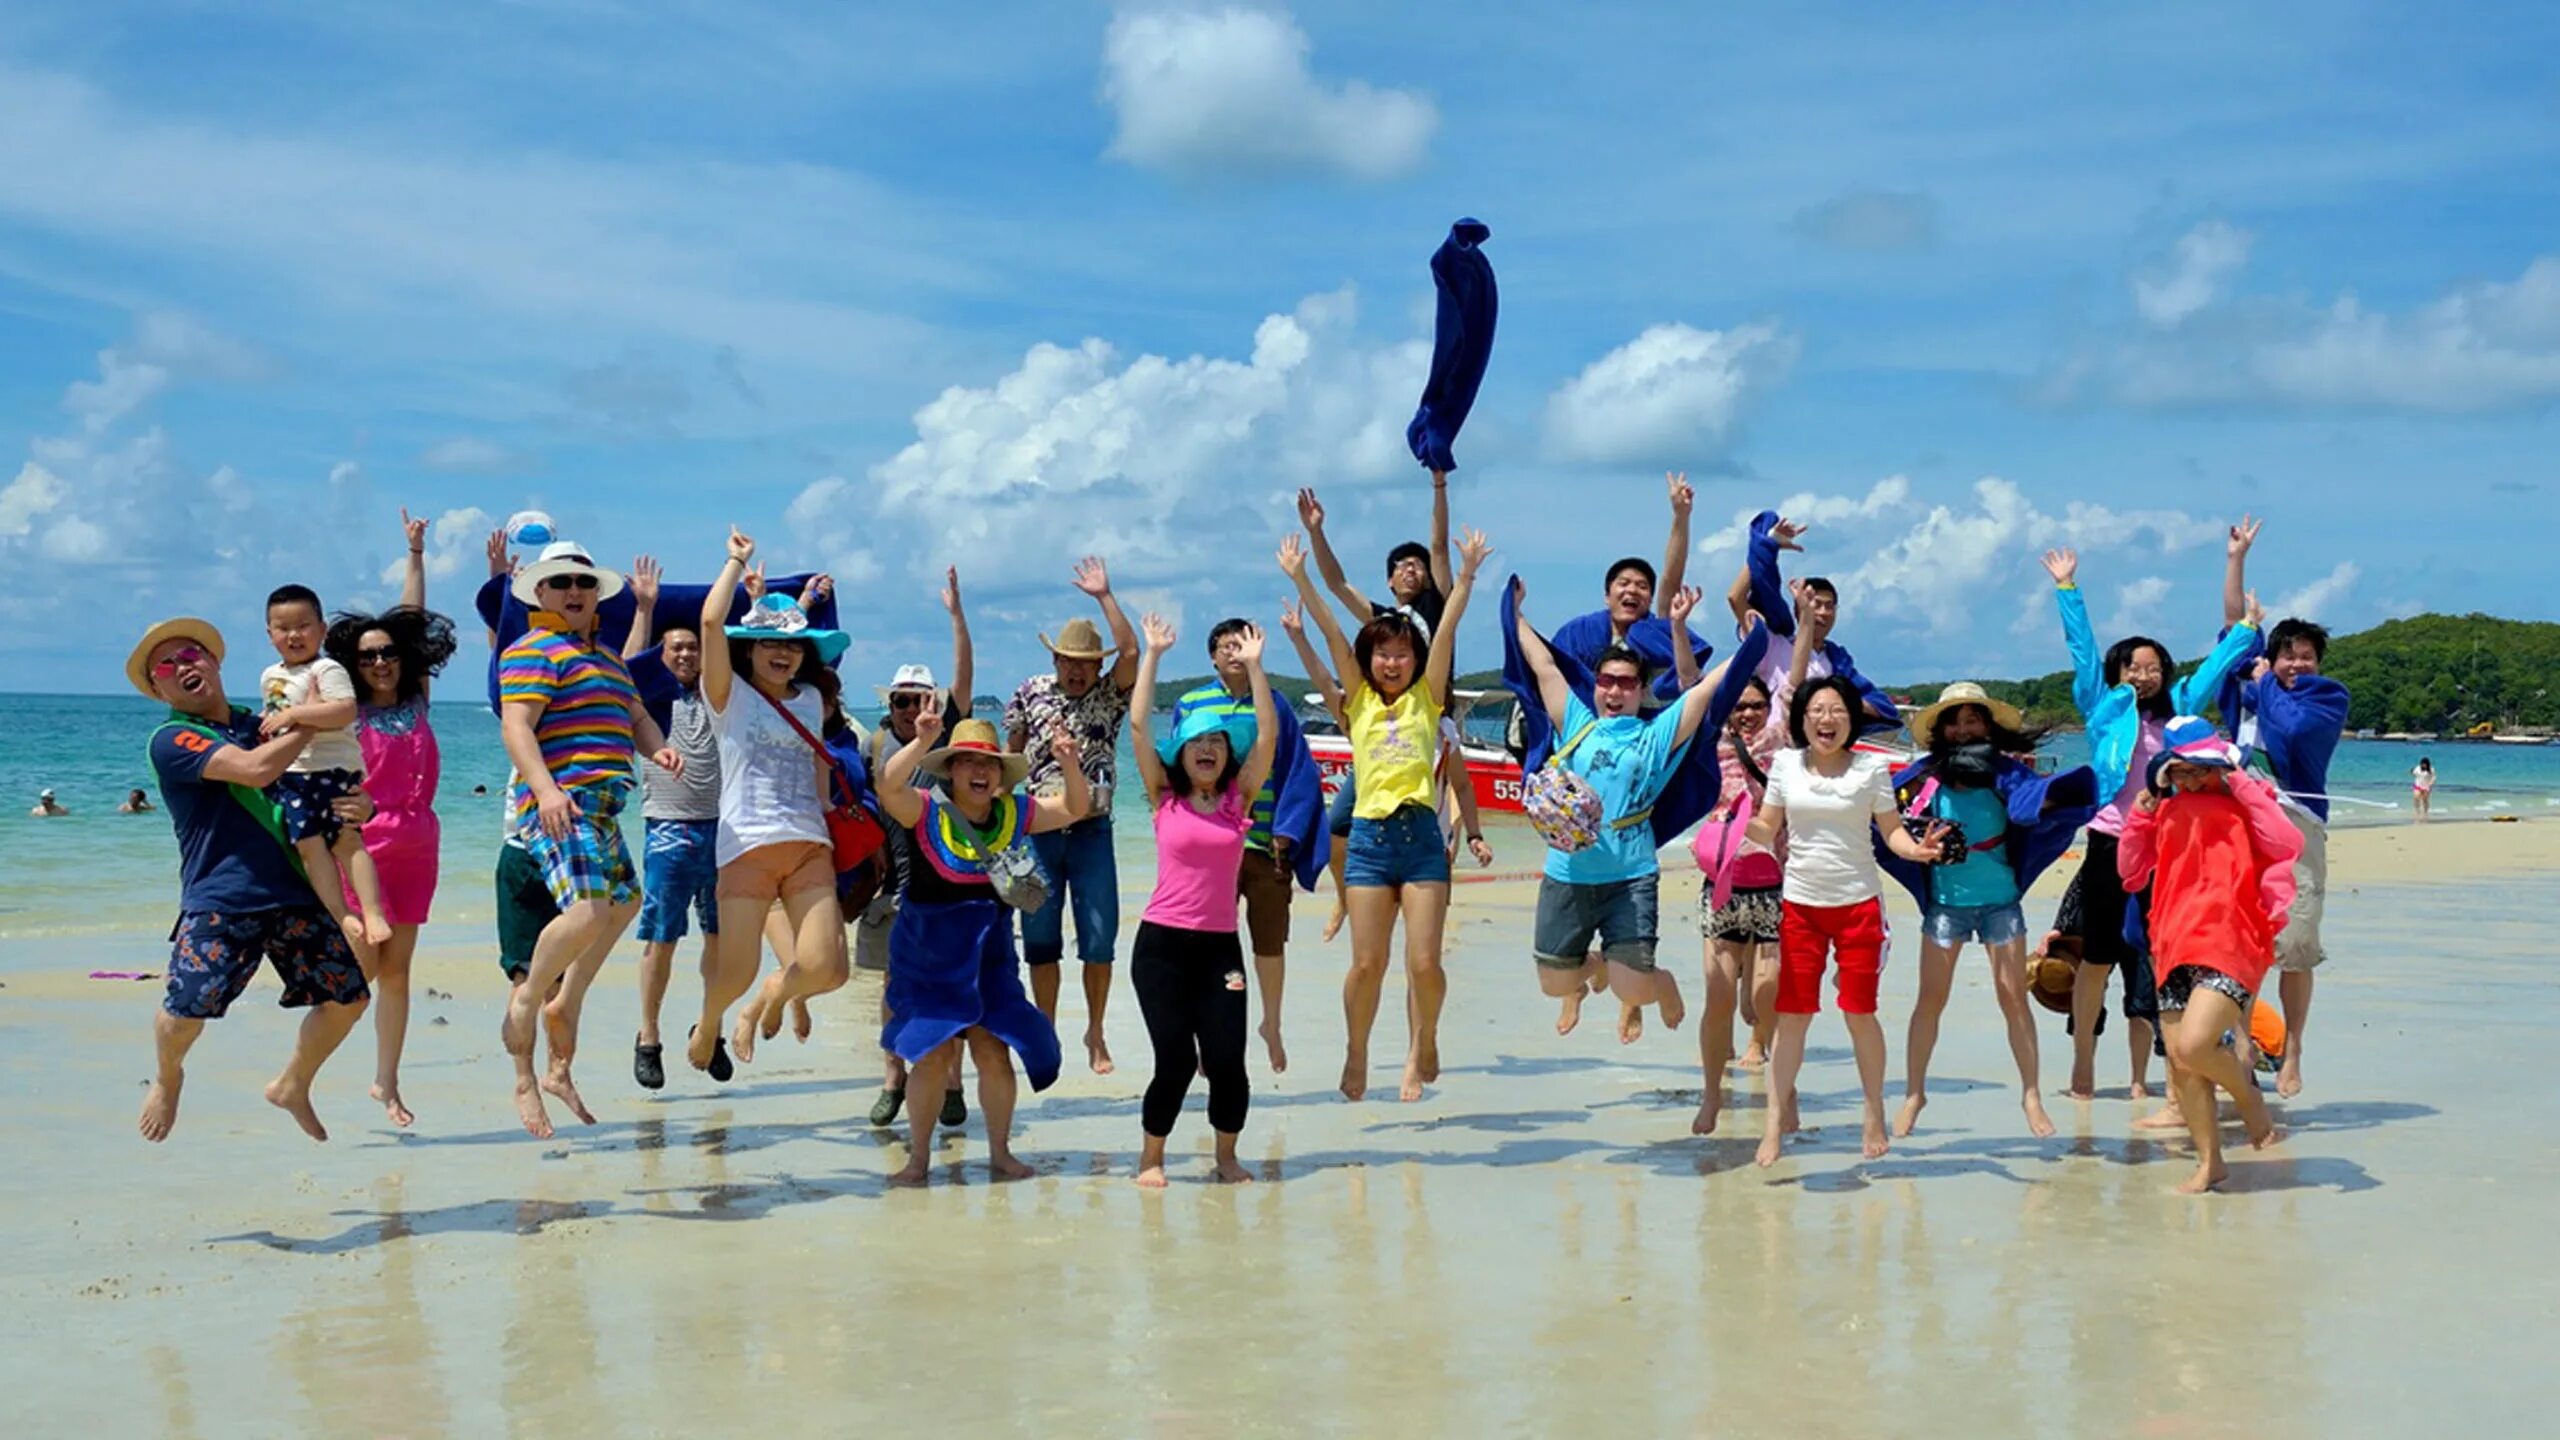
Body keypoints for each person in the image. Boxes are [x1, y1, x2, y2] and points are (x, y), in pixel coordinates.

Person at [127, 616, 373, 1143]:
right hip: (222, 898)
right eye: (166, 666)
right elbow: (256, 769)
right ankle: (169, 1077)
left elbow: (322, 781)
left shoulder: (260, 721)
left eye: (191, 654)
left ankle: (292, 1083)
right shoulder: (171, 739)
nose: (182, 667)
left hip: (294, 891)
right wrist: (314, 720)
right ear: (157, 689)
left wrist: (363, 802)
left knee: (349, 1000)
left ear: (214, 662)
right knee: (185, 1010)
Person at [2040, 546, 2260, 1103]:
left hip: (2169, 849)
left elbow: (2212, 672)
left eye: (2153, 667)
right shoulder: (2100, 706)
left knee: (2164, 957)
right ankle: (2084, 1063)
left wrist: (2247, 631)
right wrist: (2068, 589)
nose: (2144, 674)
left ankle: (2166, 1075)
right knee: (2096, 958)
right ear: (2118, 673)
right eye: (2133, 667)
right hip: (2111, 842)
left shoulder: (2181, 708)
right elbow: (2082, 653)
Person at [1282, 524, 1492, 1102]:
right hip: (1371, 842)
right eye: (1383, 654)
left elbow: (1445, 629)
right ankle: (1357, 1050)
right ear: (1370, 660)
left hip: (1422, 838)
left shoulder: (1428, 698)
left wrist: (1467, 576)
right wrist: (1301, 578)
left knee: (1425, 964)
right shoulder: (1360, 703)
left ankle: (1425, 1038)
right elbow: (1332, 639)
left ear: (1416, 660)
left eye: (1402, 653)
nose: (1392, 662)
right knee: (1366, 965)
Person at [1512, 577, 1764, 1043]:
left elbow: (1709, 688)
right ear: (1596, 685)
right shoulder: (1577, 725)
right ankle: (1593, 965)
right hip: (1567, 874)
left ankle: (1662, 982)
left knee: (1634, 986)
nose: (1614, 690)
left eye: (1626, 683)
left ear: (1640, 689)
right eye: (1606, 680)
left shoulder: (1655, 735)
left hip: (1631, 875)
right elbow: (1545, 667)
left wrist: (1751, 646)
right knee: (1554, 983)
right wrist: (1517, 614)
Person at [497, 539, 683, 1139]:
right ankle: (529, 1003)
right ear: (541, 593)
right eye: (561, 584)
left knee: (625, 904)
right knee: (587, 911)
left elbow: (636, 718)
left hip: (604, 808)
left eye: (584, 583)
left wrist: (658, 748)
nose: (574, 592)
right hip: (562, 805)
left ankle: (566, 999)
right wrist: (546, 791)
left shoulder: (606, 658)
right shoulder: (533, 648)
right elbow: (516, 726)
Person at [1743, 671, 1954, 1168]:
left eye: (1837, 710)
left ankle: (1873, 1110)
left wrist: (1917, 851)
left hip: (1859, 906)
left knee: (1859, 1012)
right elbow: (1767, 825)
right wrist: (1735, 829)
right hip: (1800, 906)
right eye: (1817, 711)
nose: (1827, 719)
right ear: (1802, 720)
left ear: (1851, 720)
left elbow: (1892, 835)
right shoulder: (1786, 765)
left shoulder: (1870, 772)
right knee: (1792, 1015)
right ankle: (1774, 1122)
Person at [874, 713, 1090, 1185]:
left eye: (989, 764)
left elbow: (1075, 808)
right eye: (967, 761)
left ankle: (999, 1153)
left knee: (994, 1051)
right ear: (950, 770)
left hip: (990, 957)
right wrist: (923, 740)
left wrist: (1070, 764)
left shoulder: (1015, 812)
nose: (979, 771)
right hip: (927, 957)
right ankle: (918, 1160)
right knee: (930, 1055)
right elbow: (887, 786)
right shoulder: (925, 809)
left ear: (1000, 775)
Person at [1877, 683, 2098, 1140]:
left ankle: (2031, 1094)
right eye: (1954, 721)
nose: (1962, 729)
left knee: (2013, 999)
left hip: (2000, 903)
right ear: (1941, 729)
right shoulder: (1924, 777)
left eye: (1972, 719)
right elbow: (1883, 817)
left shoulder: (2008, 774)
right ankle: (1914, 1093)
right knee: (1929, 1002)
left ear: (1987, 725)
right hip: (1945, 906)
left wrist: (2049, 800)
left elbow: (2042, 802)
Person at [1127, 613, 1280, 1186]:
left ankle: (1226, 1157)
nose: (1209, 749)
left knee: (1226, 1064)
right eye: (1198, 742)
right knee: (1173, 1062)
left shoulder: (1240, 800)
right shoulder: (1163, 797)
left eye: (1217, 742)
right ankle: (1152, 1159)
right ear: (1184, 753)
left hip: (1219, 949)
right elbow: (1139, 727)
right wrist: (1153, 654)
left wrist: (1259, 668)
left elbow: (1266, 736)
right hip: (1161, 947)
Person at [692, 529, 852, 1074]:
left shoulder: (809, 699)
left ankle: (771, 996)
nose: (782, 652)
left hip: (808, 841)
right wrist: (735, 562)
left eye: (791, 644)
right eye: (769, 643)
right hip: (747, 846)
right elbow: (711, 623)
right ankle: (712, 1018)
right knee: (731, 973)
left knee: (828, 969)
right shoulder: (727, 696)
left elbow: (814, 764)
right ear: (749, 648)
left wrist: (831, 816)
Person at [2116, 717, 2298, 1193]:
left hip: (2232, 939)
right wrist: (2139, 816)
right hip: (2173, 941)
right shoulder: (2162, 812)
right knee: (2180, 1059)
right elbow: (2131, 874)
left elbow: (2286, 844)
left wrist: (2240, 781)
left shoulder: (2247, 804)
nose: (2194, 780)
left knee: (2197, 1044)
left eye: (2203, 769)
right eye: (2182, 771)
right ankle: (2210, 1161)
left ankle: (2248, 1098)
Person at [320, 507, 459, 1128]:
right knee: (359, 973)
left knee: (399, 974)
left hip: (419, 848)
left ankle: (387, 1083)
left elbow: (410, 618)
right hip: (364, 851)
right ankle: (302, 1071)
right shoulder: (343, 711)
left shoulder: (417, 699)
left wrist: (417, 556)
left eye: (389, 654)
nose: (380, 662)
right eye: (369, 655)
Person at [2218, 529, 2353, 1101]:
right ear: (2271, 657)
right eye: (2286, 654)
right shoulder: (2256, 683)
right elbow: (2233, 632)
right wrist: (2237, 559)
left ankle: (2294, 1049)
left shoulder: (2328, 698)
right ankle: (2243, 1048)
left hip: (2299, 827)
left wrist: (2264, 683)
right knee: (2240, 947)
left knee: (2295, 946)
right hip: (2240, 825)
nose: (2296, 662)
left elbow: (2294, 730)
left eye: (2306, 656)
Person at [1164, 615, 1330, 1074]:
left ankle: (1271, 1023)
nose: (1235, 652)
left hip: (1263, 843)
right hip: (1212, 844)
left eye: (1244, 644)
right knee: (1203, 940)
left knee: (1269, 941)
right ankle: (1200, 1027)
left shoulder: (1273, 704)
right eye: (1226, 645)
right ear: (1213, 655)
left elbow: (1299, 769)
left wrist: (1289, 830)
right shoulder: (1192, 703)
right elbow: (1178, 768)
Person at [1296, 481, 1454, 941]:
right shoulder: (1384, 625)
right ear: (1389, 580)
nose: (1412, 570)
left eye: (1417, 565)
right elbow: (1334, 583)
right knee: (1337, 823)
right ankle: (1347, 900)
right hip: (1382, 731)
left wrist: (1439, 484)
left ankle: (1431, 914)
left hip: (1430, 726)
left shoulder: (1435, 607)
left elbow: (1441, 545)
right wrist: (1316, 532)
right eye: (1402, 566)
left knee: (1437, 827)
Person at [1002, 556, 1141, 1073]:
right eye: (1068, 660)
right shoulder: (1030, 690)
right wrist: (1000, 825)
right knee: (1037, 938)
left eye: (1086, 662)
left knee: (1099, 937)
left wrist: (1104, 596)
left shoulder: (1109, 694)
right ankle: (1045, 1029)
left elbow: (1132, 650)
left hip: (1092, 833)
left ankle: (1097, 1032)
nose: (1076, 669)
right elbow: (1009, 755)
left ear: (1097, 667)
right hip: (1036, 829)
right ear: (1056, 660)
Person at [859, 568, 974, 1129]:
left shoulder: (947, 742)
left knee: (951, 984)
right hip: (893, 885)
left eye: (920, 700)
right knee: (891, 984)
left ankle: (952, 1082)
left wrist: (956, 616)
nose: (911, 710)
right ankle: (892, 1078)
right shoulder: (877, 744)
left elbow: (965, 678)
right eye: (903, 701)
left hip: (950, 882)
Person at [620, 554, 724, 1091]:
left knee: (721, 939)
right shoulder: (646, 700)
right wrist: (645, 607)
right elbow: (627, 665)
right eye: (676, 648)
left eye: (692, 647)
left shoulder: (720, 696)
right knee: (662, 939)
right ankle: (648, 1037)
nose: (685, 654)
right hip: (668, 828)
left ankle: (711, 1028)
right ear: (664, 655)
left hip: (722, 831)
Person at [259, 582, 392, 959]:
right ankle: (341, 913)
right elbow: (273, 717)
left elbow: (344, 711)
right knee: (309, 847)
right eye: (283, 628)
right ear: (270, 635)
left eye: (303, 625)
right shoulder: (271, 675)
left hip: (332, 770)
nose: (294, 635)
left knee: (348, 841)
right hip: (293, 774)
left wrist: (295, 714)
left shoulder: (326, 668)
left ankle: (373, 911)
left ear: (322, 631)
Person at [1692, 670, 1784, 1122]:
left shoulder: (1780, 750)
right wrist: (1676, 628)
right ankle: (1712, 1093)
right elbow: (1693, 684)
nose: (1748, 713)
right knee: (1719, 994)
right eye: (1739, 705)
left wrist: (1803, 626)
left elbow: (1794, 682)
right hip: (1722, 886)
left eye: (1757, 706)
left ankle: (1775, 1080)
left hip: (1774, 886)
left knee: (1767, 991)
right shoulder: (1712, 749)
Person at [1541, 473, 1715, 702]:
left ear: (1650, 599)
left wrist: (1681, 516)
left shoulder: (1656, 632)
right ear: (1607, 596)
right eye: (1623, 583)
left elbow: (1671, 577)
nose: (1632, 590)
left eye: (1642, 586)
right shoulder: (1580, 633)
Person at [1732, 511, 1901, 732]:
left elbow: (1883, 708)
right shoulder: (1773, 645)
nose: (1821, 612)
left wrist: (1836, 704)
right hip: (1776, 747)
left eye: (1828, 606)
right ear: (1797, 607)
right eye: (1814, 604)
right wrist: (1766, 545)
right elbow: (1735, 598)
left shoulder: (1837, 662)